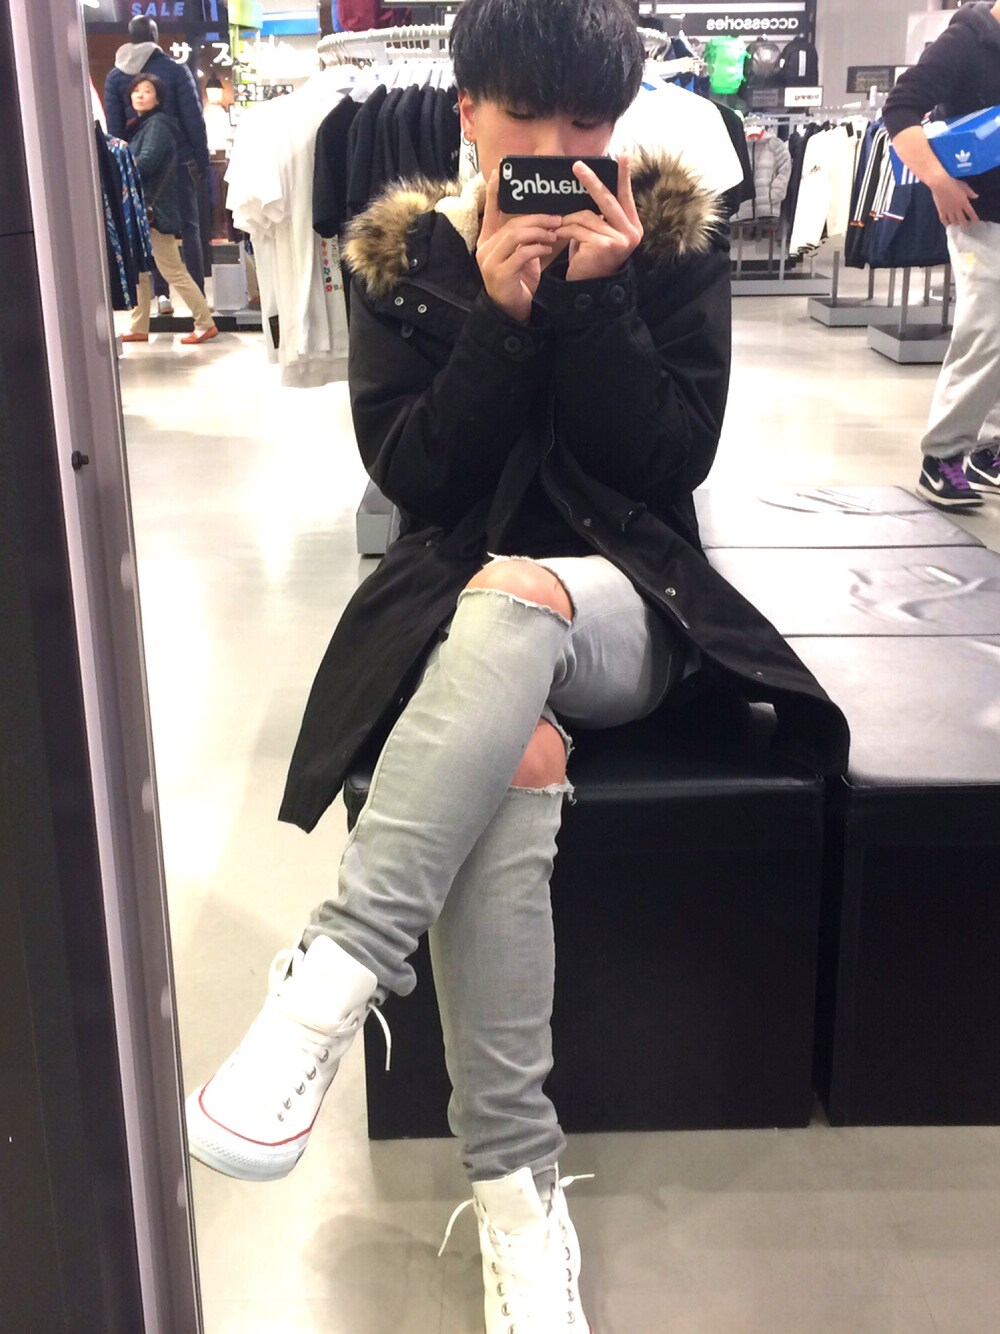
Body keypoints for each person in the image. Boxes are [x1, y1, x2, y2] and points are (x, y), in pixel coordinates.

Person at [184, 1, 845, 1327]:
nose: (552, 150)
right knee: (515, 746)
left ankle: (330, 979)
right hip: (458, 618)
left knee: (523, 590)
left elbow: (663, 468)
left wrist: (594, 306)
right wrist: (492, 314)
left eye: (584, 123)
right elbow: (418, 479)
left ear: (620, 123)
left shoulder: (668, 246)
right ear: (468, 112)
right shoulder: (405, 258)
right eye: (523, 117)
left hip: (629, 607)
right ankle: (518, 1202)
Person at [885, 1, 1000, 511]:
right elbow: (900, 108)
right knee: (986, 334)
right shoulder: (969, 40)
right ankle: (942, 457)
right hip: (980, 217)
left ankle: (989, 452)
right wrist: (938, 182)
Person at [104, 15, 210, 299]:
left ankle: (162, 296)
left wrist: (121, 170)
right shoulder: (176, 70)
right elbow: (193, 119)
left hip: (140, 166)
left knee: (151, 229)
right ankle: (197, 293)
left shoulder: (115, 76)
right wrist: (201, 159)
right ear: (154, 35)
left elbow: (115, 131)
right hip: (179, 161)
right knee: (189, 227)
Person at [121, 75, 218, 346]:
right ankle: (139, 325)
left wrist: (121, 160)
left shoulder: (157, 125)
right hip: (146, 210)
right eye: (136, 91)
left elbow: (147, 162)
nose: (140, 95)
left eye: (147, 91)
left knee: (172, 269)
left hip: (154, 211)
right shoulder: (143, 126)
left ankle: (205, 323)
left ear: (158, 98)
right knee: (141, 271)